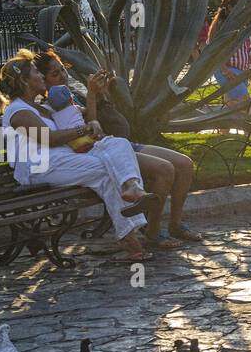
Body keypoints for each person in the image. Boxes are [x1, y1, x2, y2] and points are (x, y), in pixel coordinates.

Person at [0, 52, 159, 262]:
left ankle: (132, 193)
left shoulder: (41, 107)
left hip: (62, 160)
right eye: (35, 73)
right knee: (106, 169)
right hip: (39, 168)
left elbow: (76, 119)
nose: (41, 76)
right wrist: (84, 130)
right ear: (24, 81)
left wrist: (92, 105)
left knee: (118, 145)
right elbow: (48, 138)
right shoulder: (17, 112)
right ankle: (130, 229)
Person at [32, 49, 201, 247]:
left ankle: (176, 224)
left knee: (185, 164)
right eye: (55, 73)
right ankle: (153, 232)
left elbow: (102, 120)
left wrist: (100, 95)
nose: (63, 75)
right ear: (43, 80)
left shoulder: (72, 96)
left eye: (62, 69)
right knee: (165, 170)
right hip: (106, 151)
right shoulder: (54, 105)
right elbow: (89, 130)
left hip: (118, 144)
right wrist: (92, 97)